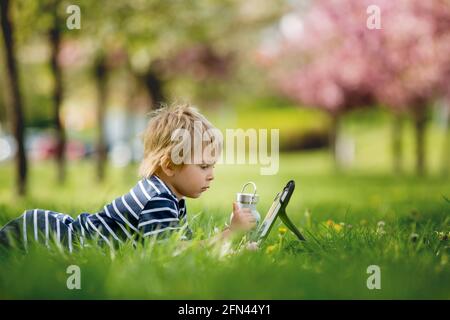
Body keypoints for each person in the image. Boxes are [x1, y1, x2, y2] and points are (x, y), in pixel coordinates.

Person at [0, 103, 257, 252]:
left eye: (212, 166)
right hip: (42, 235)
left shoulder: (171, 197)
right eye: (203, 166)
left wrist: (231, 243)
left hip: (49, 228)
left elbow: (189, 246)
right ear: (169, 165)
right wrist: (229, 235)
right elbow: (173, 253)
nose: (211, 175)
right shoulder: (157, 200)